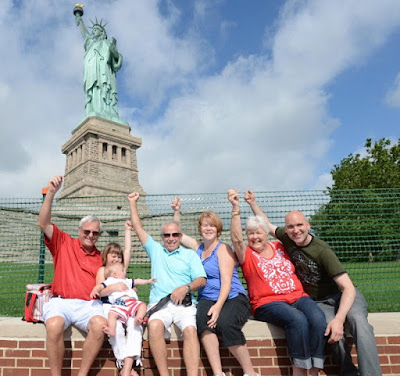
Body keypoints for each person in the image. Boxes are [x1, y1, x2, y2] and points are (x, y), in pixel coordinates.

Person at [244, 189, 382, 376]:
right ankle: (348, 372)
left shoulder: (322, 251)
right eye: (290, 227)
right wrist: (252, 203)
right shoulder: (288, 237)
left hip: (342, 295)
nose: (295, 230)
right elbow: (266, 225)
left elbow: (348, 288)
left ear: (308, 225)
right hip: (318, 301)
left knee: (358, 322)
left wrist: (340, 319)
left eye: (300, 225)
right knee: (327, 328)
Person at [228, 189, 327, 376]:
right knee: (297, 320)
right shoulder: (247, 254)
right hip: (267, 303)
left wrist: (253, 204)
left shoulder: (280, 246)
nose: (255, 237)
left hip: (298, 296)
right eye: (251, 234)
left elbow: (269, 224)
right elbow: (236, 240)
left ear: (266, 234)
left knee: (318, 318)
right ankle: (298, 372)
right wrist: (236, 208)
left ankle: (314, 371)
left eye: (259, 233)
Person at [171, 198, 258, 376]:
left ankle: (250, 372)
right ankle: (218, 373)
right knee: (203, 323)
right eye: (205, 225)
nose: (208, 228)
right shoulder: (197, 248)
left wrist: (217, 307)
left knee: (226, 324)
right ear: (200, 228)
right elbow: (177, 233)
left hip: (232, 297)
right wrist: (177, 212)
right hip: (207, 297)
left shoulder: (223, 249)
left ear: (218, 229)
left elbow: (226, 282)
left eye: (212, 225)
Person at [128, 192, 207, 376]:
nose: (171, 238)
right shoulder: (156, 250)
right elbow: (138, 228)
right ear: (162, 237)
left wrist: (185, 287)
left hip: (185, 303)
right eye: (167, 235)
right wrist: (133, 203)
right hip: (160, 303)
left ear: (180, 236)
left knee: (189, 330)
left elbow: (201, 280)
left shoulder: (189, 255)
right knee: (154, 326)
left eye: (175, 234)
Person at [38, 175, 107, 376]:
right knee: (53, 324)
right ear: (79, 230)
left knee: (100, 325)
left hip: (88, 305)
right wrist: (51, 192)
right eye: (87, 231)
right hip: (62, 301)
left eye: (95, 233)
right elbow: (44, 223)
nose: (91, 236)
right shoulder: (63, 242)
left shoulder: (101, 256)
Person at [95, 221, 145, 376]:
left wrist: (127, 230)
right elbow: (100, 292)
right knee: (115, 329)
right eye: (112, 256)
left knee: (135, 326)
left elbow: (128, 250)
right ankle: (125, 365)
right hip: (111, 307)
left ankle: (127, 368)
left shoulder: (121, 270)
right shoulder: (103, 270)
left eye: (118, 256)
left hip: (128, 307)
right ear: (105, 256)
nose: (116, 259)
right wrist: (114, 287)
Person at [75, 12, 123, 120]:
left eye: (96, 29)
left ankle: (108, 112)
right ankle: (94, 110)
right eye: (93, 30)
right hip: (92, 73)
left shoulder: (107, 43)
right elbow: (85, 35)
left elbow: (117, 58)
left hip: (104, 72)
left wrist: (113, 50)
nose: (93, 31)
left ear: (102, 32)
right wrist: (80, 20)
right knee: (94, 91)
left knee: (104, 89)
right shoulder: (91, 44)